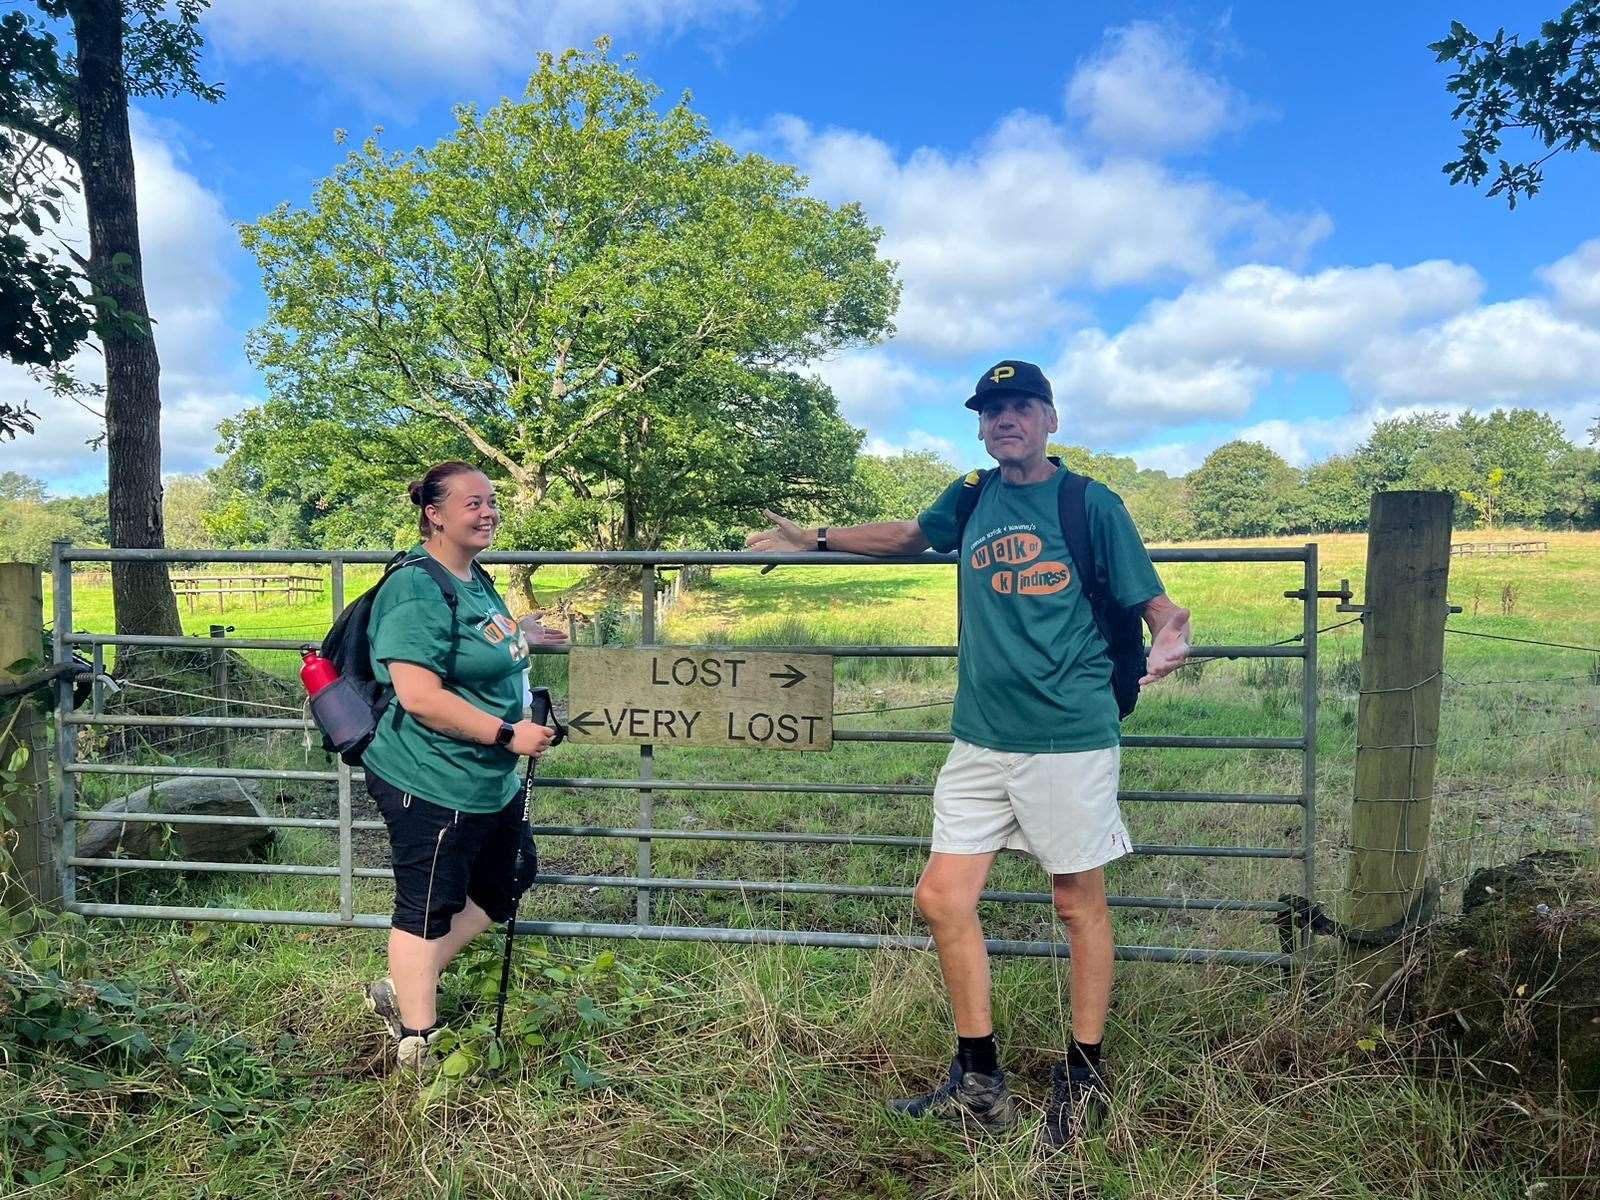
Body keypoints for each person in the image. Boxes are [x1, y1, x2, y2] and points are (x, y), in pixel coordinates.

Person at [746, 360, 1191, 1147]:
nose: (1003, 421)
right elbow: (910, 538)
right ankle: (980, 1081)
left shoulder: (1091, 503)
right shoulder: (972, 495)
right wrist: (810, 536)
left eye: (1020, 407)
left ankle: (1085, 1078)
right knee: (943, 899)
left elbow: (1157, 604)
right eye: (990, 411)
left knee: (1075, 901)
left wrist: (1170, 636)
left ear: (1050, 418)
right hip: (979, 735)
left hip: (1066, 733)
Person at [359, 460, 568, 1069]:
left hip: (487, 776)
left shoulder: (474, 578)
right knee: (427, 903)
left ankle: (404, 982)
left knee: (509, 875)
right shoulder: (415, 586)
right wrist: (507, 733)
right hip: (430, 774)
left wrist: (523, 634)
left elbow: (480, 641)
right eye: (473, 503)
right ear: (435, 514)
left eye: (492, 501)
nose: (487, 512)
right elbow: (419, 695)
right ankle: (418, 1042)